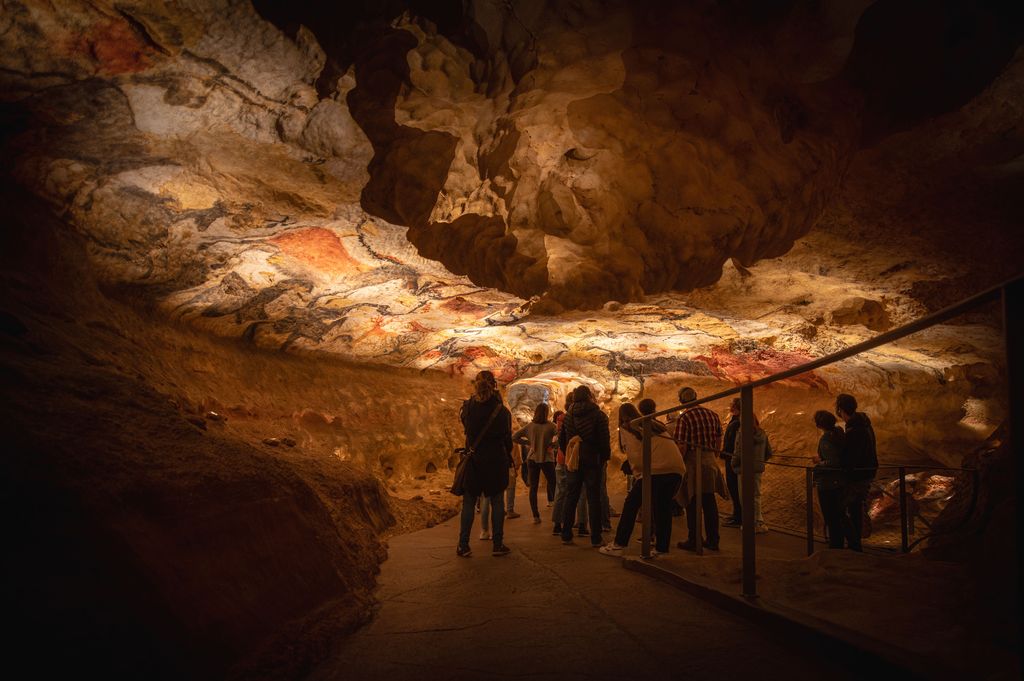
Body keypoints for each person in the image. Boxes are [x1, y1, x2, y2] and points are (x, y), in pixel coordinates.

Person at [600, 400, 685, 557]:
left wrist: (637, 472)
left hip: (656, 470)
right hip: (676, 469)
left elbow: (637, 456)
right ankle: (661, 548)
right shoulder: (652, 424)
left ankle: (619, 543)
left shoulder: (628, 427)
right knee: (662, 508)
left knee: (631, 504)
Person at [457, 370, 513, 557]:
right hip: (495, 460)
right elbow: (507, 439)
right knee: (497, 501)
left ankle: (463, 545)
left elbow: (466, 428)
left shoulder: (467, 408)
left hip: (474, 459)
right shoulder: (502, 411)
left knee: (469, 502)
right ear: (494, 385)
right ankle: (497, 544)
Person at [673, 387, 726, 552]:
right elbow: (718, 438)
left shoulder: (685, 417)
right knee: (709, 502)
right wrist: (714, 453)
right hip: (709, 460)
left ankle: (694, 539)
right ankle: (713, 540)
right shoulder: (712, 414)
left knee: (692, 502)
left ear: (682, 401)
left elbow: (682, 445)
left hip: (693, 462)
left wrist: (679, 464)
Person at [560, 385, 611, 547]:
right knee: (593, 499)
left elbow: (562, 439)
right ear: (589, 396)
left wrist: (570, 452)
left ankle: (566, 534)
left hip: (574, 459)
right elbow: (604, 440)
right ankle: (596, 538)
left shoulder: (568, 416)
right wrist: (604, 458)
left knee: (571, 496)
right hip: (592, 459)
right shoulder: (599, 415)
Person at [836, 393, 877, 552]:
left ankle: (854, 544)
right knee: (855, 508)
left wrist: (842, 466)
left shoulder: (854, 430)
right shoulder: (865, 424)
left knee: (840, 509)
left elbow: (851, 457)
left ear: (840, 409)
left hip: (858, 475)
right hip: (867, 472)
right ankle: (855, 543)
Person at [513, 403, 558, 524]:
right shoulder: (552, 426)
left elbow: (515, 437)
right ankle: (557, 514)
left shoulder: (530, 426)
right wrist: (552, 445)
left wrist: (528, 443)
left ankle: (536, 516)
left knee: (533, 487)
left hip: (532, 458)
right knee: (554, 484)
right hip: (547, 459)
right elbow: (561, 436)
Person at [555, 393, 589, 536]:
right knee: (581, 493)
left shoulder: (562, 418)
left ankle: (558, 525)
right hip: (578, 458)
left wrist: (564, 450)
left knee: (562, 492)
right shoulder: (586, 416)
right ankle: (581, 525)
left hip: (563, 458)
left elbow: (561, 439)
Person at [730, 412, 770, 534]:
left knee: (744, 496)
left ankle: (749, 523)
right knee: (756, 495)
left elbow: (738, 452)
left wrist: (733, 463)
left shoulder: (742, 433)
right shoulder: (762, 433)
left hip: (744, 468)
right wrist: (759, 461)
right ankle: (758, 522)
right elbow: (769, 452)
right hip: (757, 469)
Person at [812, 410, 847, 549]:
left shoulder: (826, 439)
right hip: (840, 481)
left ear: (819, 424)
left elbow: (833, 462)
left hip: (828, 483)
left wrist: (819, 462)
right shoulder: (838, 434)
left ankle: (836, 545)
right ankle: (841, 542)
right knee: (839, 514)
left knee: (830, 515)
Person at [720, 398, 742, 527]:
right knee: (734, 488)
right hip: (732, 458)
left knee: (735, 488)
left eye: (732, 405)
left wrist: (725, 452)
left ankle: (739, 517)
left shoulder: (737, 422)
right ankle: (736, 514)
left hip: (733, 459)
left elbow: (733, 442)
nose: (730, 406)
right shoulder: (736, 421)